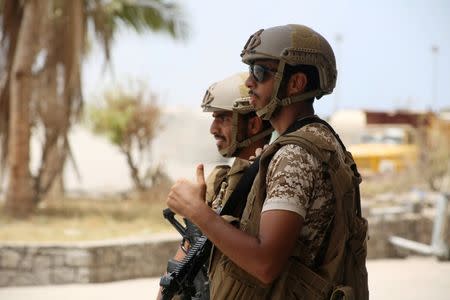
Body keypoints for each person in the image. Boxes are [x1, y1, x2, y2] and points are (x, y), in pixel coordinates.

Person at [167, 24, 368, 300]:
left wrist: (198, 212)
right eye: (250, 71)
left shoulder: (295, 155)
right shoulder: (314, 142)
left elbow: (265, 263)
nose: (250, 82)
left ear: (296, 83)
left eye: (260, 73)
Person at [157, 72, 272, 300]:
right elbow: (186, 256)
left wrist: (197, 211)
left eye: (223, 118)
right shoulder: (222, 181)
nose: (213, 128)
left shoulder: (271, 180)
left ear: (254, 124)